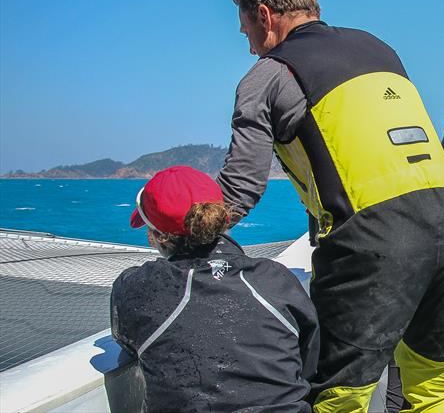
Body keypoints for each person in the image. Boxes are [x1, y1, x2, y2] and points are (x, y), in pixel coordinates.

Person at [217, 0, 444, 412]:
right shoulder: (378, 48)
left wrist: (184, 234)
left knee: (337, 394)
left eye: (246, 31)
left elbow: (240, 188)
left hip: (373, 236)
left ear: (264, 15)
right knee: (438, 384)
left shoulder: (270, 76)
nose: (251, 47)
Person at [111, 165, 319, 412]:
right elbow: (309, 361)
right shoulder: (275, 280)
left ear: (157, 236)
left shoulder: (138, 287)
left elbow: (127, 337)